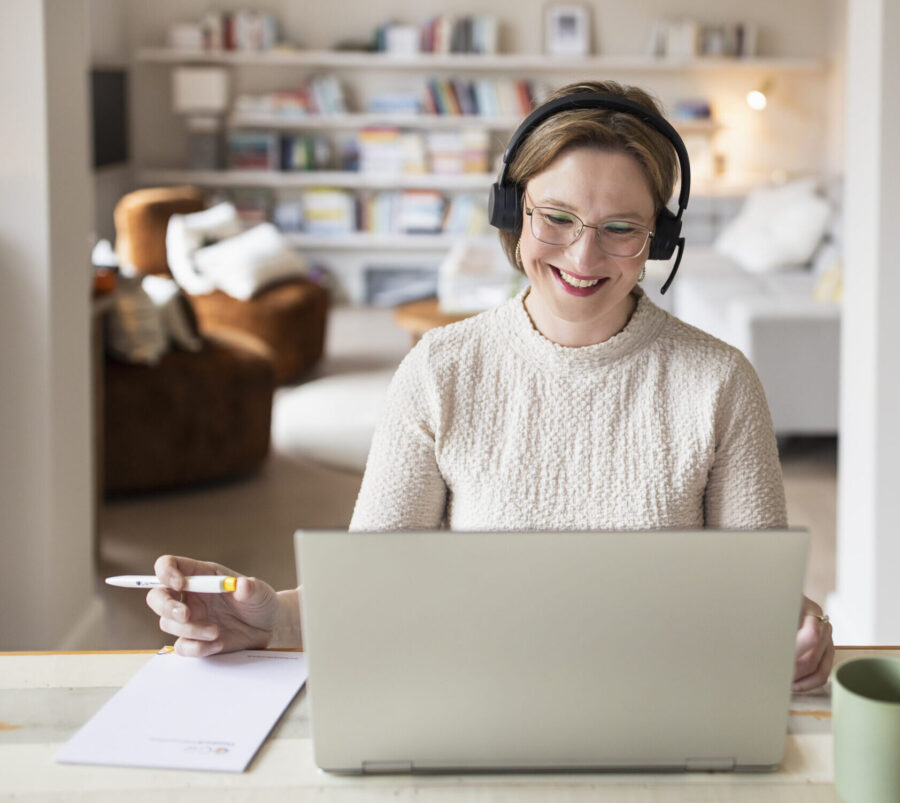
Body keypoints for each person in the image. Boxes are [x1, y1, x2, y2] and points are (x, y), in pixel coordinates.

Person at [147, 80, 834, 692]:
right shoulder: (439, 369)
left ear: (659, 238)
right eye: (556, 216)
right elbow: (373, 586)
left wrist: (792, 635)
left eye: (621, 228)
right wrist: (271, 618)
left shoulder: (720, 382)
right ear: (512, 209)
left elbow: (759, 610)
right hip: (472, 704)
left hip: (666, 708)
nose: (584, 255)